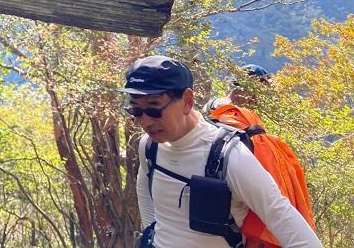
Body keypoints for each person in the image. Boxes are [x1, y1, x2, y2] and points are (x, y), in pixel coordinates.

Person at [121, 55, 322, 248]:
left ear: (187, 101)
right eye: (136, 109)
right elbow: (144, 186)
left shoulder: (229, 156)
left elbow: (283, 219)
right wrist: (149, 233)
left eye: (154, 107)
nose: (145, 121)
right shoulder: (149, 146)